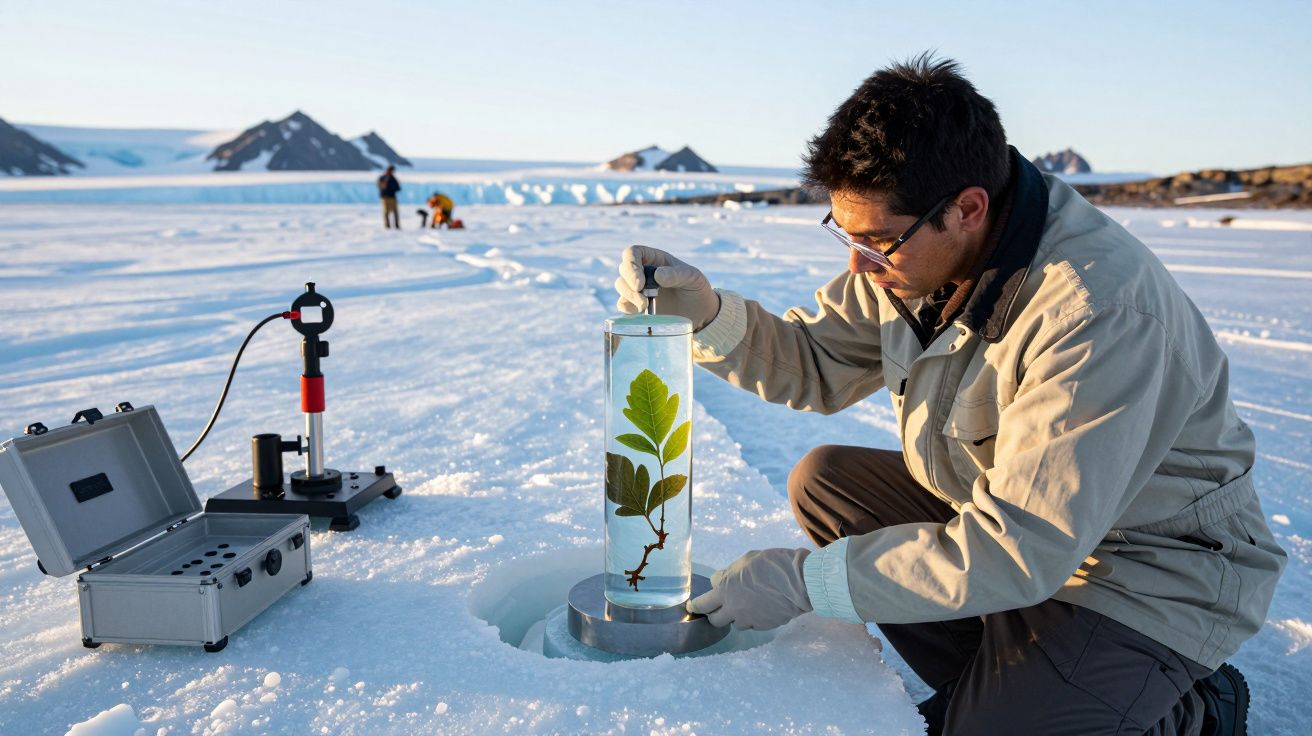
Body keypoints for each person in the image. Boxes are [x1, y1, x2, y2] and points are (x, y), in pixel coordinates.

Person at [614, 56, 1284, 736]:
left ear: (967, 209)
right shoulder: (918, 258)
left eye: (877, 241)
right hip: (1023, 536)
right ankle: (1016, 682)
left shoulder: (1094, 316)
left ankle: (1188, 713)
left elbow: (1021, 547)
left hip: (1146, 572)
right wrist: (706, 315)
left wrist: (807, 582)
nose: (858, 264)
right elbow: (815, 359)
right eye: (844, 233)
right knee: (828, 484)